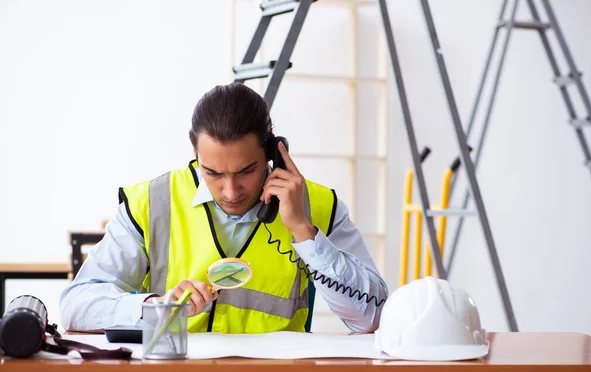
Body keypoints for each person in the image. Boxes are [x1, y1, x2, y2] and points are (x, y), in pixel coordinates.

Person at [59, 83, 388, 334]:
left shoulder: (317, 205)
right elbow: (75, 307)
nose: (230, 192)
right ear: (195, 153)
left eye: (246, 171)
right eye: (213, 173)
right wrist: (156, 307)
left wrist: (304, 232)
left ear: (274, 152)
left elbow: (371, 319)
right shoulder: (151, 202)